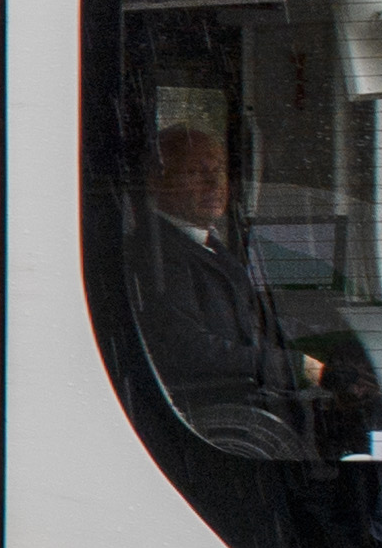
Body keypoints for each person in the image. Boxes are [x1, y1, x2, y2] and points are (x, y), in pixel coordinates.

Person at [123, 122, 306, 451]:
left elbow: (255, 324)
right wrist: (291, 366)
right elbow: (189, 351)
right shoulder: (157, 255)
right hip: (225, 433)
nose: (214, 184)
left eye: (218, 170)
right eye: (195, 171)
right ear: (158, 182)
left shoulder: (210, 248)